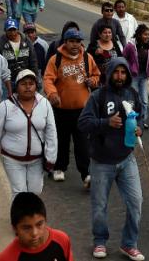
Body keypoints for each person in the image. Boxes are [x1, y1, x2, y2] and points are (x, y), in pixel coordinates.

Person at [77, 58, 145, 261]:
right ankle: (99, 241)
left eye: (124, 73)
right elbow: (83, 123)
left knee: (136, 202)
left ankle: (129, 244)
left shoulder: (132, 94)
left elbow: (140, 114)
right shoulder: (98, 96)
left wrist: (139, 126)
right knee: (100, 206)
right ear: (110, 74)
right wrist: (106, 123)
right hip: (102, 162)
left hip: (127, 159)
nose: (120, 76)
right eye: (116, 72)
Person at [0, 70, 57, 197]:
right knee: (19, 192)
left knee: (36, 191)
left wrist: (51, 157)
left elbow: (51, 132)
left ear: (36, 86)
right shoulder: (5, 106)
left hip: (37, 159)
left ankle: (29, 216)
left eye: (31, 83)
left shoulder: (44, 104)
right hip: (12, 158)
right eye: (23, 84)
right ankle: (18, 217)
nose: (28, 87)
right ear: (16, 87)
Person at [43, 29, 100, 185]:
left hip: (82, 110)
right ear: (66, 42)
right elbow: (47, 79)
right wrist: (52, 94)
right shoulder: (56, 59)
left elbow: (96, 74)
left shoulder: (87, 57)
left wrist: (93, 81)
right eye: (72, 41)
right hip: (61, 109)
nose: (75, 45)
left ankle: (86, 173)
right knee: (61, 140)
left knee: (82, 142)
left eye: (78, 41)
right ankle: (59, 168)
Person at [0, 192, 74, 261]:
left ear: (45, 220)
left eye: (39, 224)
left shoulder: (61, 240)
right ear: (15, 228)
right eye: (27, 228)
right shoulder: (6, 258)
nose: (34, 233)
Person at [122, 24, 149, 129]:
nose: (147, 37)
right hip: (134, 76)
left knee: (144, 100)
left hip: (144, 76)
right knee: (134, 99)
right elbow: (123, 58)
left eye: (148, 35)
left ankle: (142, 120)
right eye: (145, 34)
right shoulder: (131, 45)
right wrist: (128, 70)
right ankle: (132, 119)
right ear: (139, 35)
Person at [0, 19, 38, 88]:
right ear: (5, 30)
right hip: (7, 82)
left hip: (25, 80)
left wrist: (34, 77)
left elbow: (33, 60)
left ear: (18, 29)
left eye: (14, 30)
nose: (12, 33)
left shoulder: (26, 41)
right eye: (10, 30)